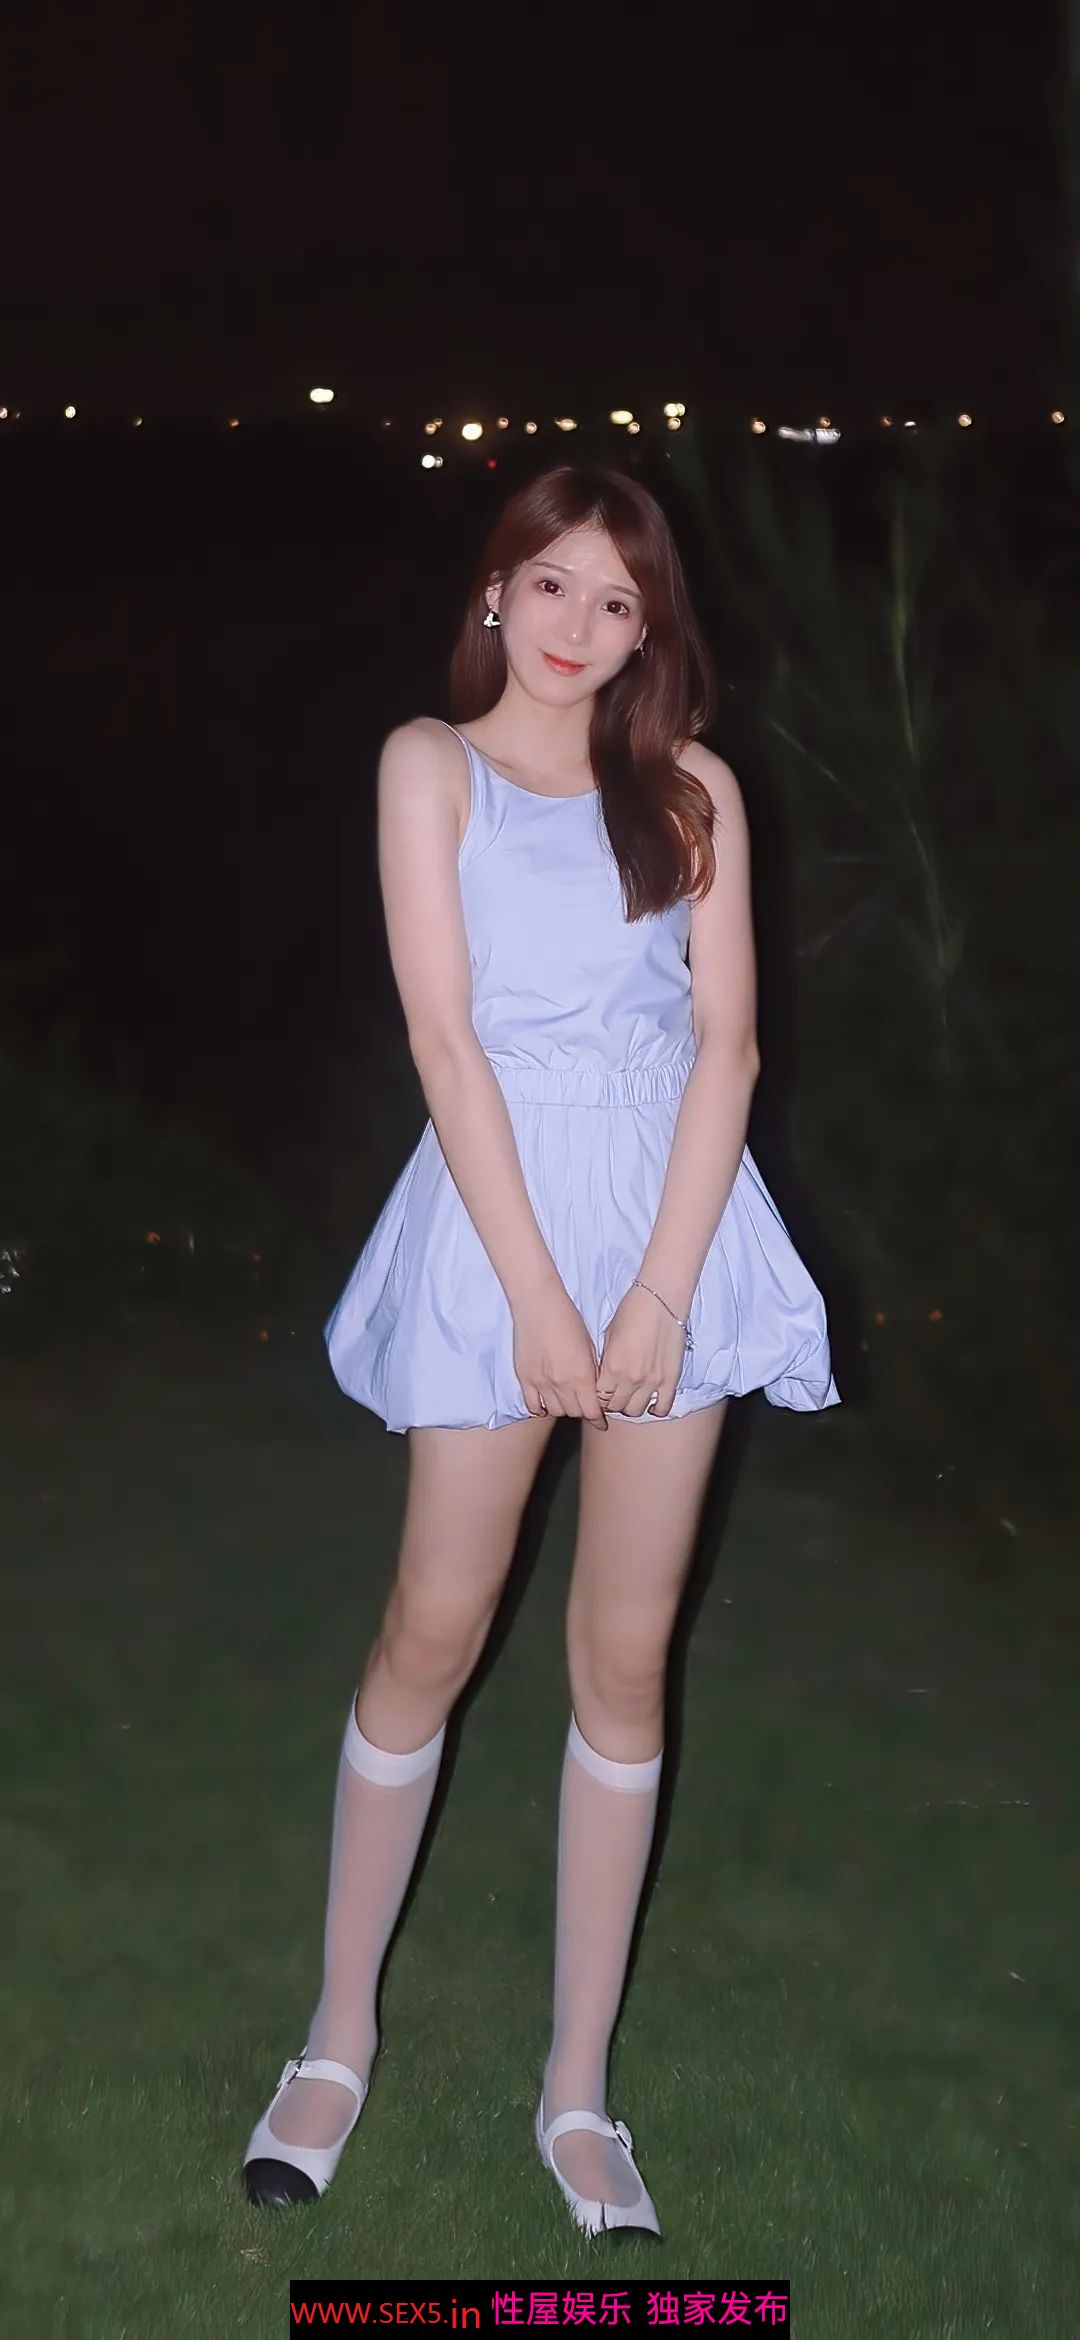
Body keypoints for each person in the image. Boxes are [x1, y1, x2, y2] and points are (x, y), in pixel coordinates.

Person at [241, 462, 841, 2237]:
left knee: (625, 1659)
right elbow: (444, 1042)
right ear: (497, 588)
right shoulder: (430, 766)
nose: (582, 626)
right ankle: (338, 2035)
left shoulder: (694, 790)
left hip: (674, 1229)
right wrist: (540, 1302)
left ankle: (579, 2094)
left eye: (620, 601)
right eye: (556, 583)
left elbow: (727, 1049)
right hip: (498, 1226)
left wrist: (655, 1299)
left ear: (651, 632)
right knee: (432, 1628)